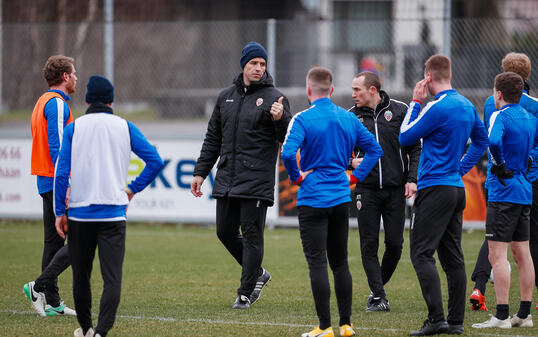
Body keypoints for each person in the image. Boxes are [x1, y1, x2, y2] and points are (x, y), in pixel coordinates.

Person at [54, 75, 164, 337]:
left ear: (88, 99)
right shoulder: (125, 127)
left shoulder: (74, 128)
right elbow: (156, 161)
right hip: (114, 213)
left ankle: (86, 328)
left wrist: (60, 211)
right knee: (111, 278)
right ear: (112, 100)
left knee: (81, 277)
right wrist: (132, 190)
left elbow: (61, 174)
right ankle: (102, 332)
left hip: (80, 214)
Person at [282, 66, 383, 337]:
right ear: (333, 90)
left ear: (308, 90)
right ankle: (346, 324)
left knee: (317, 262)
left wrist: (297, 178)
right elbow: (375, 149)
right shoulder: (348, 118)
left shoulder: (302, 119)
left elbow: (288, 153)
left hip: (312, 197)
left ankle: (324, 327)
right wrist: (353, 177)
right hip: (340, 197)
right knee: (340, 263)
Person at [190, 41, 291, 309]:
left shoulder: (275, 98)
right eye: (253, 64)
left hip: (257, 179)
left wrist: (280, 119)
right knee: (224, 232)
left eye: (262, 64)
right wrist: (201, 172)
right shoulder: (226, 97)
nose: (258, 68)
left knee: (252, 234)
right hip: (228, 177)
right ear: (243, 65)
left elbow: (287, 138)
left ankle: (245, 292)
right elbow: (213, 137)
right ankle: (258, 273)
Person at [399, 54, 489, 336]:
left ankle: (437, 319)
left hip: (434, 188)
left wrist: (415, 102)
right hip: (455, 188)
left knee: (421, 253)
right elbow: (482, 141)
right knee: (453, 258)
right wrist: (460, 168)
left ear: (428, 76)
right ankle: (455, 321)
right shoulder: (466, 104)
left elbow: (405, 137)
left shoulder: (434, 107)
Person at [470, 52, 538, 312]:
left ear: (499, 92)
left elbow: (494, 139)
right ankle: (524, 310)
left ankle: (498, 309)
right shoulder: (530, 109)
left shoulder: (494, 106)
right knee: (525, 250)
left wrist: (498, 164)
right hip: (526, 183)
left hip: (502, 184)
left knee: (496, 248)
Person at [349, 71, 421, 312]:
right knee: (368, 245)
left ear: (372, 90)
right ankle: (380, 296)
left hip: (394, 191)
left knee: (395, 244)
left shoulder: (399, 111)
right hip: (365, 191)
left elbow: (415, 148)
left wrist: (412, 178)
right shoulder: (350, 117)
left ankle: (376, 288)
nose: (353, 94)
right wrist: (350, 164)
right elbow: (336, 153)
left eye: (357, 89)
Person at [24, 55, 77, 317]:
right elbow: (57, 147)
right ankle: (39, 287)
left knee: (54, 242)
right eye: (74, 73)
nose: (76, 78)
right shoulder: (56, 103)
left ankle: (53, 301)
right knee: (79, 239)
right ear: (65, 77)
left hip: (45, 180)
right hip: (56, 181)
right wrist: (64, 185)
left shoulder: (42, 101)